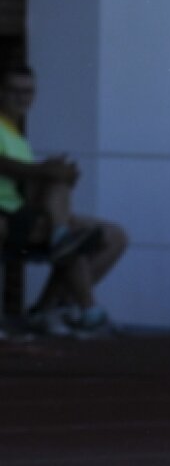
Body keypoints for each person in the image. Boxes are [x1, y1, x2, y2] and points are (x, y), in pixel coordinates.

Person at [0, 63, 128, 336]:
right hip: (8, 214)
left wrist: (58, 174)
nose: (22, 97)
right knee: (71, 234)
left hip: (27, 211)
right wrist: (44, 171)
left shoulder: (16, 135)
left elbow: (26, 182)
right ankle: (84, 309)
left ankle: (48, 307)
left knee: (115, 237)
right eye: (14, 90)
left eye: (28, 91)